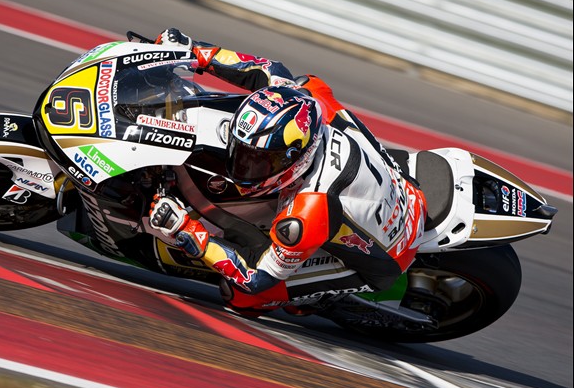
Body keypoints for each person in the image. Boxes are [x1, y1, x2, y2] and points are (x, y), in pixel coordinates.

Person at [148, 28, 427, 314]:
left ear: (297, 158)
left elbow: (256, 278)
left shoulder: (308, 211)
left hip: (391, 253)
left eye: (258, 161)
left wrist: (189, 232)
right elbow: (265, 69)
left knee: (240, 296)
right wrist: (193, 51)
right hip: (397, 187)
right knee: (311, 84)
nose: (243, 165)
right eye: (242, 152)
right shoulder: (304, 102)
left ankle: (313, 300)